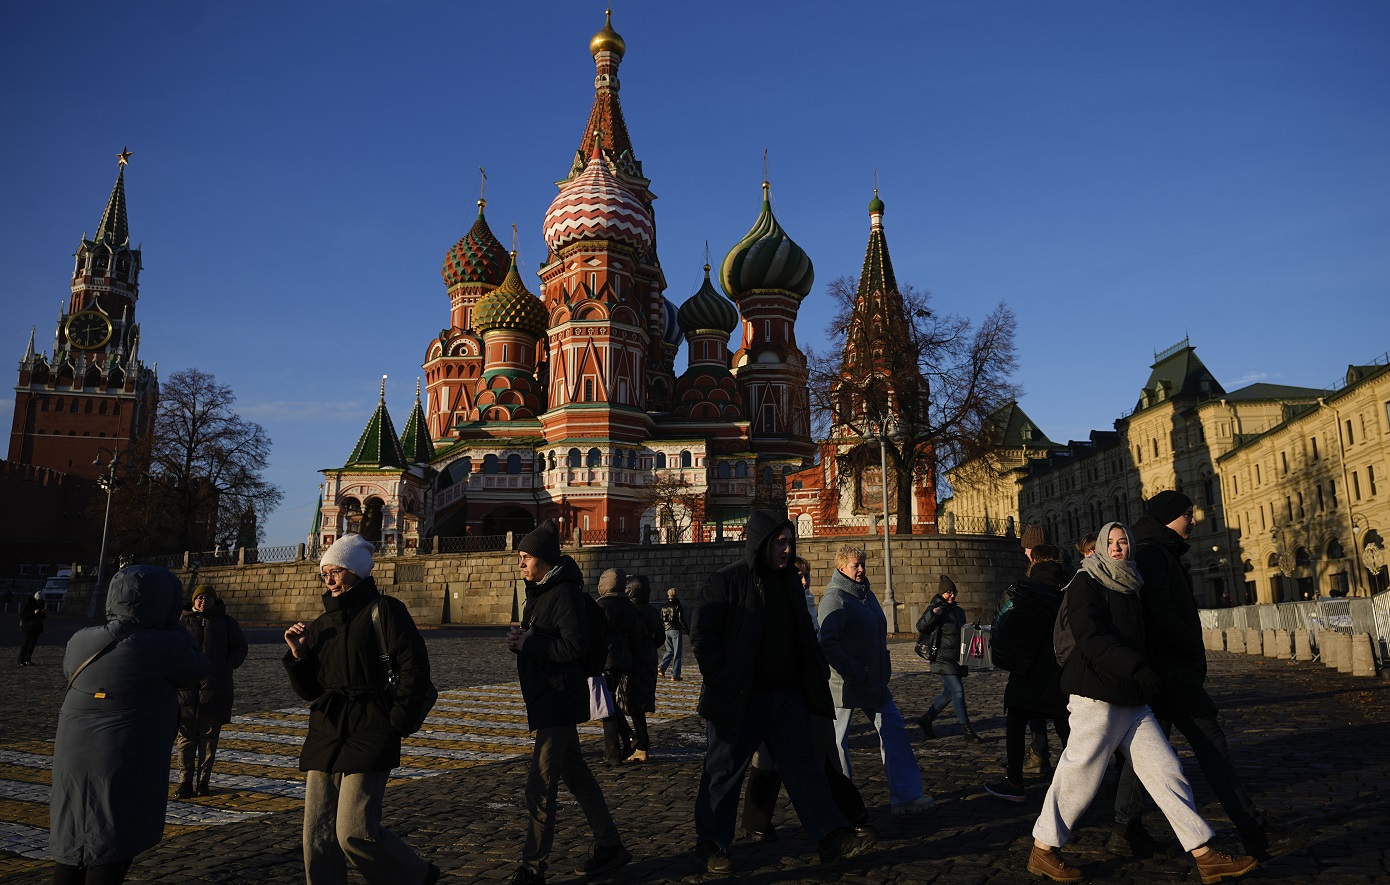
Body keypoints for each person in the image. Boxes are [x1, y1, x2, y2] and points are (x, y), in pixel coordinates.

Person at [1026, 522, 1256, 884]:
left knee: (1166, 772)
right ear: (1101, 547)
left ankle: (1204, 853)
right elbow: (1090, 636)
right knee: (1080, 774)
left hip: (1131, 698)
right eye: (1111, 543)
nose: (1117, 549)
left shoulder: (1131, 582)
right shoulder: (1088, 580)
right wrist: (1135, 667)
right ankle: (1043, 848)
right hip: (1097, 695)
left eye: (1123, 542)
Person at [1110, 491, 1296, 861]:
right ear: (1167, 518)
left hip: (1162, 672)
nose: (1193, 521)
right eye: (1187, 514)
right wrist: (1191, 647)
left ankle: (1125, 829)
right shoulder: (1153, 553)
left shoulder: (1156, 550)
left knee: (1144, 756)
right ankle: (1253, 830)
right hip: (1172, 672)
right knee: (1213, 748)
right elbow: (1160, 615)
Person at [690, 509, 875, 875]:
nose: (787, 550)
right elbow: (703, 636)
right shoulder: (725, 581)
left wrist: (814, 674)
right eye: (780, 542)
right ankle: (710, 845)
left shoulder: (790, 581)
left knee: (804, 767)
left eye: (790, 542)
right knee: (723, 773)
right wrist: (722, 678)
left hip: (786, 695)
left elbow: (804, 633)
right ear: (760, 543)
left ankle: (831, 837)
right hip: (741, 697)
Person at [283, 534, 439, 885]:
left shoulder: (385, 611)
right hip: (327, 729)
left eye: (335, 571)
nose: (329, 580)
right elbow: (310, 690)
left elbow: (414, 670)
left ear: (355, 571)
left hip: (372, 726)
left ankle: (414, 874)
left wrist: (397, 722)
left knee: (353, 830)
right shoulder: (321, 625)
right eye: (324, 573)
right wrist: (298, 654)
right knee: (317, 835)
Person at [50, 565, 211, 884]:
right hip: (126, 753)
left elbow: (71, 671)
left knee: (73, 839)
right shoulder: (166, 645)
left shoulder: (80, 639)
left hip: (73, 749)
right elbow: (197, 669)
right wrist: (179, 629)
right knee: (113, 842)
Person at [506, 519, 629, 884]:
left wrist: (530, 643)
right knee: (577, 776)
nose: (521, 564)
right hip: (548, 695)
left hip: (558, 697)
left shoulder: (563, 594)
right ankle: (610, 845)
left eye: (525, 557)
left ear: (543, 559)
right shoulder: (542, 591)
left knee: (540, 786)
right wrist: (525, 639)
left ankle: (532, 868)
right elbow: (550, 638)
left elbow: (572, 647)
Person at [739, 554, 872, 844]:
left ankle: (853, 816)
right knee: (770, 760)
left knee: (823, 756)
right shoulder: (773, 603)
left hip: (810, 689)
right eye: (796, 576)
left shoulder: (808, 602)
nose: (802, 581)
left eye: (805, 576)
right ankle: (756, 822)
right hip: (780, 690)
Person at [819, 544, 935, 816]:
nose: (860, 569)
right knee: (836, 743)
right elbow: (827, 642)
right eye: (854, 565)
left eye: (862, 564)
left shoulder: (866, 593)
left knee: (894, 729)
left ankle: (906, 795)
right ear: (841, 568)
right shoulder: (835, 598)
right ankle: (843, 805)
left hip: (874, 681)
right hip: (844, 685)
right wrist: (853, 672)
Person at [983, 544, 1070, 803]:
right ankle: (1077, 781)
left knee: (1016, 725)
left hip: (1026, 671)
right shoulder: (1068, 591)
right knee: (1065, 727)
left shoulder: (1025, 592)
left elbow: (1007, 630)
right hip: (1059, 675)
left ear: (1033, 562)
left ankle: (1015, 782)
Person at [176, 583, 248, 798]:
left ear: (214, 601)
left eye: (207, 598)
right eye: (199, 598)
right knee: (185, 739)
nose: (202, 601)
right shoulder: (182, 622)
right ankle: (184, 782)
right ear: (193, 601)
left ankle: (203, 782)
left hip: (215, 688)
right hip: (185, 690)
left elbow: (240, 647)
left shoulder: (226, 623)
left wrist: (227, 665)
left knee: (209, 740)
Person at [915, 576, 980, 742]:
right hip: (942, 658)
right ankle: (967, 730)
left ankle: (926, 719)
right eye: (947, 593)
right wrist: (932, 614)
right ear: (941, 593)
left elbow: (961, 632)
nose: (951, 595)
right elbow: (921, 626)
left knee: (948, 694)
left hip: (957, 658)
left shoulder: (959, 611)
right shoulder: (936, 608)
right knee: (958, 691)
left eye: (953, 592)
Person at [595, 567, 638, 765]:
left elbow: (595, 635)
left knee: (606, 705)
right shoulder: (629, 605)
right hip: (624, 657)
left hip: (606, 658)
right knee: (609, 701)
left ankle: (613, 752)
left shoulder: (601, 605)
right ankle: (628, 737)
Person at [623, 573, 661, 762]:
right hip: (649, 656)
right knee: (640, 700)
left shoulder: (630, 611)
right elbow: (660, 637)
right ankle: (639, 742)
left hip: (634, 657)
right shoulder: (653, 611)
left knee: (633, 702)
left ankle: (641, 745)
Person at [658, 587, 687, 680]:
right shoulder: (678, 606)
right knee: (677, 653)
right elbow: (681, 620)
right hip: (675, 630)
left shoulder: (664, 606)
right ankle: (675, 674)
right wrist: (688, 630)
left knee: (669, 651)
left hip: (666, 630)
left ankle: (662, 667)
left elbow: (661, 619)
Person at [19, 590, 45, 666]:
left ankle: (27, 659)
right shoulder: (29, 604)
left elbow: (43, 617)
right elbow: (22, 614)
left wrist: (42, 614)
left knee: (32, 644)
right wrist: (33, 613)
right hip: (28, 627)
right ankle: (21, 660)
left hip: (36, 627)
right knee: (26, 644)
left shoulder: (41, 604)